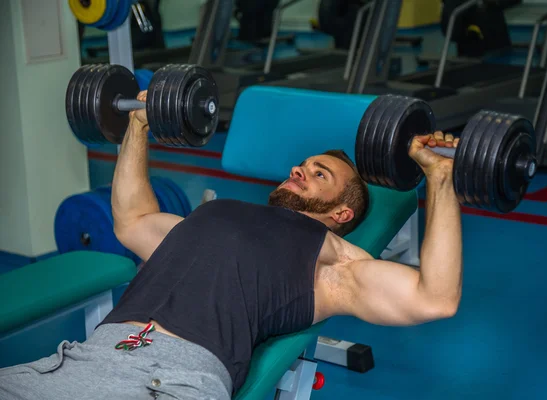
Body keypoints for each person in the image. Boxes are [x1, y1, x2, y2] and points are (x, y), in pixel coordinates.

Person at [0, 91, 462, 400]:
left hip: (168, 382)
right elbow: (131, 220)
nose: (300, 170)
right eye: (303, 164)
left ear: (341, 215)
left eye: (319, 174)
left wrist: (439, 178)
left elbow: (434, 298)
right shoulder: (211, 217)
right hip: (81, 359)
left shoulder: (331, 260)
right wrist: (137, 127)